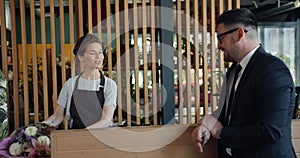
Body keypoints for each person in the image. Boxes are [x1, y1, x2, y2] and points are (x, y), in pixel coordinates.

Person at [192, 8, 296, 158]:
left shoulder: (273, 70)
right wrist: (207, 126)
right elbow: (228, 115)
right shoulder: (233, 71)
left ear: (239, 34)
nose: (219, 46)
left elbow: (270, 131)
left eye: (221, 39)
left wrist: (220, 132)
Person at [43, 33, 117, 129]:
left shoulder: (109, 85)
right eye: (92, 53)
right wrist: (39, 128)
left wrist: (84, 134)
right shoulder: (70, 84)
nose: (98, 56)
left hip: (101, 139)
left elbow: (106, 120)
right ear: (81, 57)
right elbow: (57, 116)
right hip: (75, 138)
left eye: (100, 52)